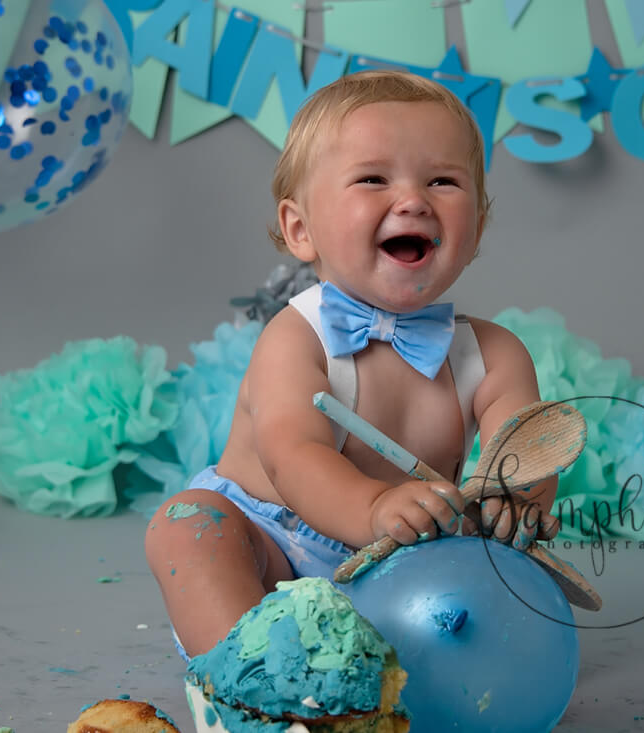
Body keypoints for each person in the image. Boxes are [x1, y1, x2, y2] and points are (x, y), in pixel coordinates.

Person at [145, 70, 560, 659]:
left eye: (443, 181)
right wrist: (372, 507)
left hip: (404, 558)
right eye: (372, 179)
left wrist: (515, 498)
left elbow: (525, 449)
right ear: (300, 229)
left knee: (512, 598)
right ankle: (246, 675)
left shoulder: (492, 355)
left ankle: (393, 669)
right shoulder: (297, 338)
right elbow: (294, 455)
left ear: (477, 228)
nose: (413, 200)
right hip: (273, 548)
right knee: (187, 528)